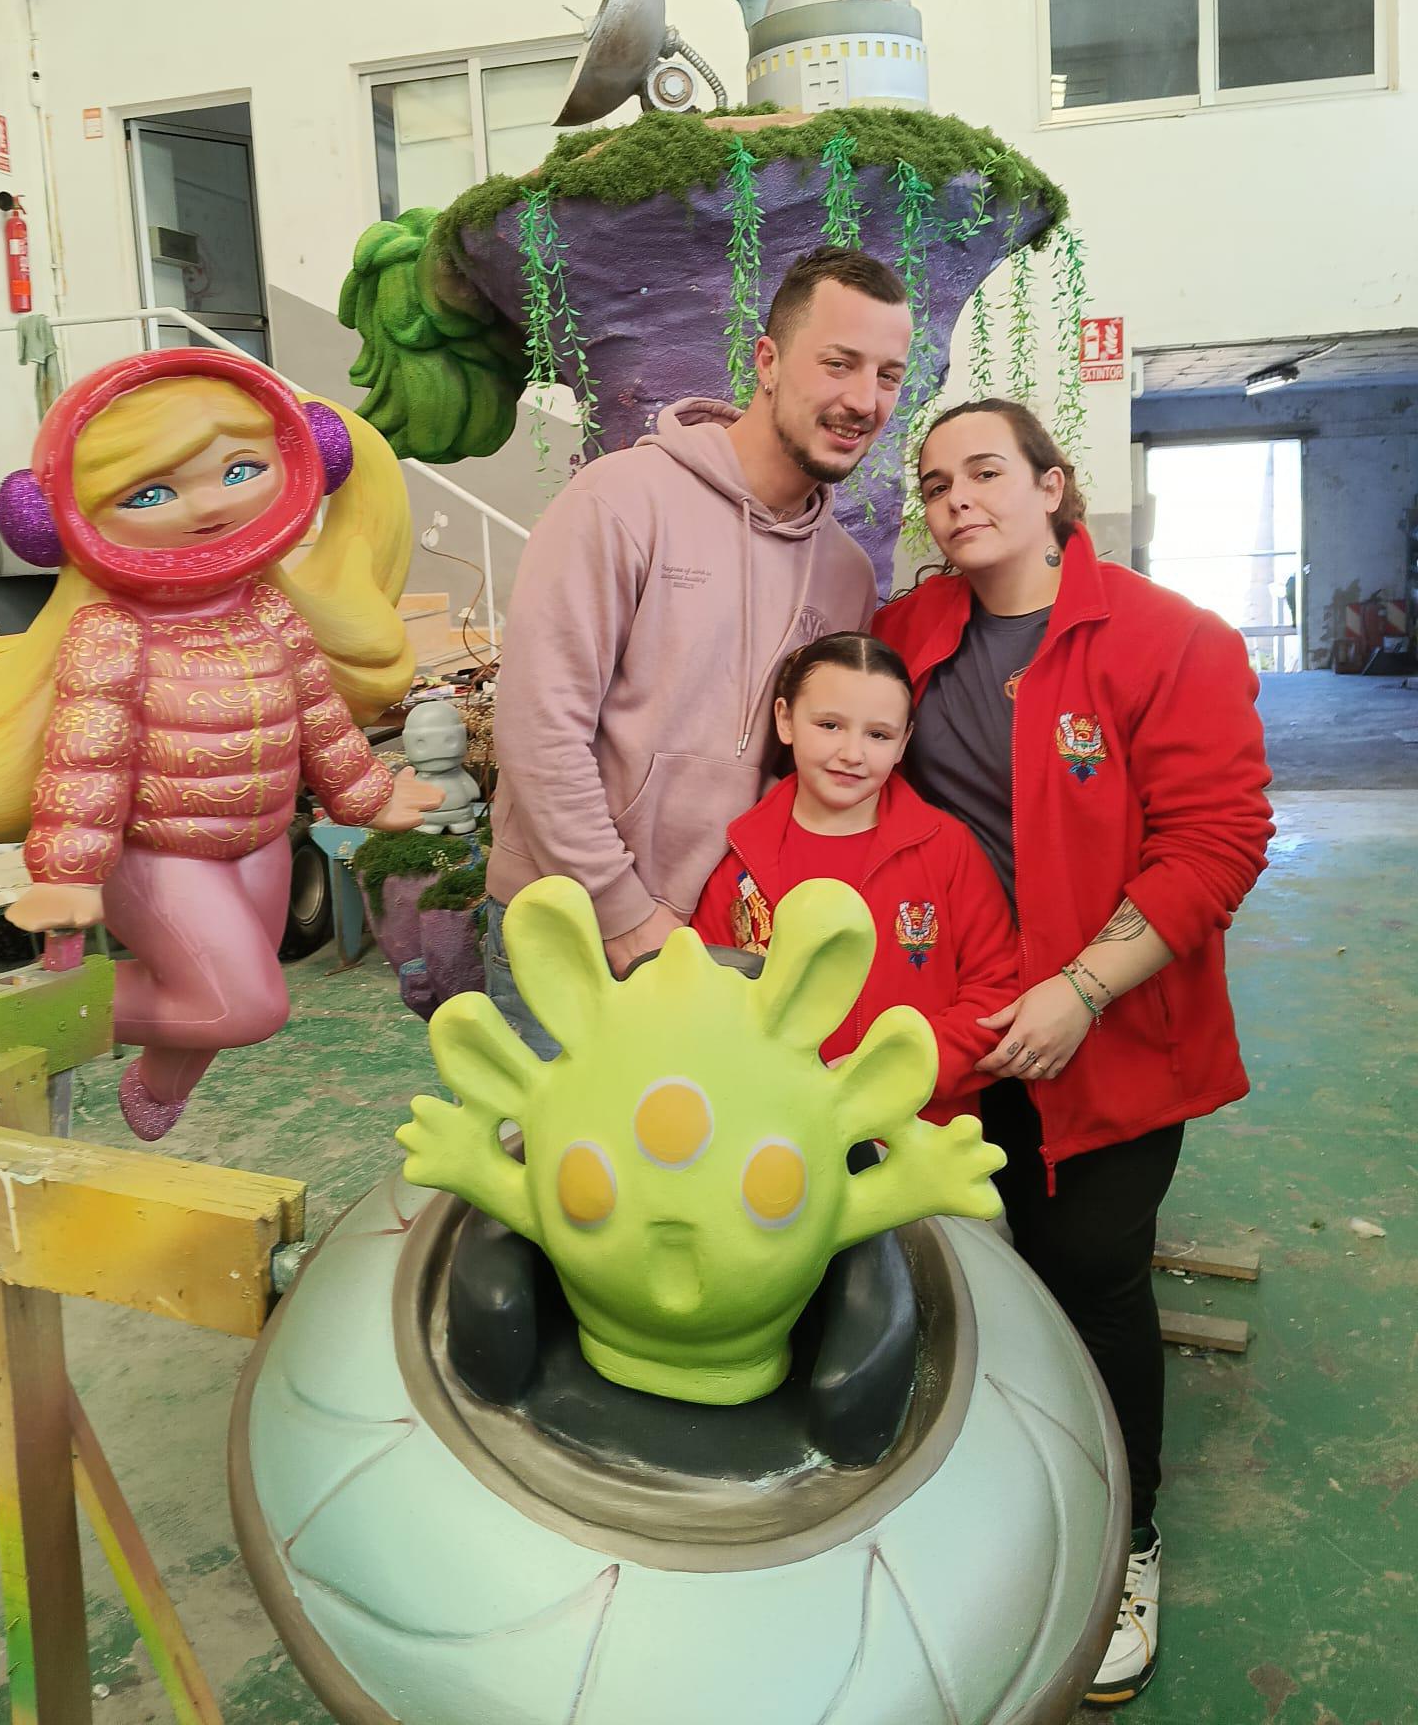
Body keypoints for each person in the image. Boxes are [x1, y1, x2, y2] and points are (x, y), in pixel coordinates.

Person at [872, 396, 1272, 1705]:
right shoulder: (908, 635)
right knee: (950, 1262)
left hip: (1107, 1033)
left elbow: (1216, 844)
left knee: (1089, 1270)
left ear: (1054, 487)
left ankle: (1122, 1535)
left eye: (986, 471)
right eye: (936, 482)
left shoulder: (1171, 642)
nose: (957, 499)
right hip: (956, 1025)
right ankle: (978, 1490)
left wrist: (1084, 987)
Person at [0, 350, 439, 1140]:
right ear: (56, 523)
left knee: (218, 991)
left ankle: (159, 1082)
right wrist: (69, 874)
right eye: (150, 493)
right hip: (159, 853)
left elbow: (318, 715)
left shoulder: (269, 610)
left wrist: (369, 794)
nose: (209, 505)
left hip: (259, 838)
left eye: (241, 470)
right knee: (243, 1004)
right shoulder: (112, 632)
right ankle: (27, 1013)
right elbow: (86, 758)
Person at [486, 246, 914, 1054]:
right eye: (839, 363)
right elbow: (540, 727)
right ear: (768, 362)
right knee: (551, 1143)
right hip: (570, 926)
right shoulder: (621, 500)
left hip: (730, 946)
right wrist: (621, 911)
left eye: (888, 376)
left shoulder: (846, 574)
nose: (864, 399)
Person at [691, 631, 1018, 1120]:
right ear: (785, 720)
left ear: (904, 742)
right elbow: (704, 996)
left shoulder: (947, 849)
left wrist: (899, 1066)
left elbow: (996, 994)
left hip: (915, 1134)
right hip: (772, 1132)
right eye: (829, 725)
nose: (852, 753)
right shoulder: (739, 854)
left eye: (878, 735)